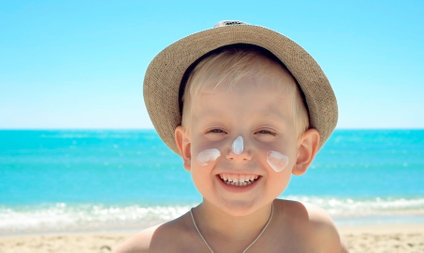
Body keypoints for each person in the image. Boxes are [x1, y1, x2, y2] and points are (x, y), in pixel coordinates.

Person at [115, 20, 347, 253]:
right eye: (217, 131)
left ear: (302, 152)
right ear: (187, 148)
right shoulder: (147, 249)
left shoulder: (315, 233)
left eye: (265, 132)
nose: (239, 152)